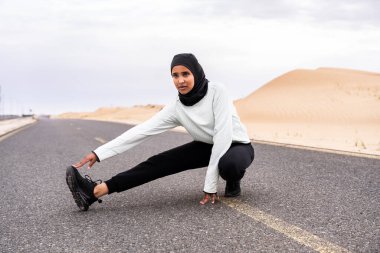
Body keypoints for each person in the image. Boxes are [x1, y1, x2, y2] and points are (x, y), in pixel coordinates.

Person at [66, 53, 254, 211]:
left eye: (185, 74)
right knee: (157, 163)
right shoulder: (176, 107)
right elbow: (141, 131)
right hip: (206, 145)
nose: (180, 80)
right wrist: (99, 153)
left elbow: (223, 135)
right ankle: (94, 192)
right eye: (175, 75)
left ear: (196, 72)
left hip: (236, 144)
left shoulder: (217, 91)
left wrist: (210, 184)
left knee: (229, 165)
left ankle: (233, 181)